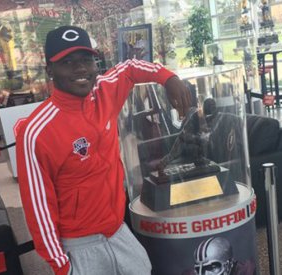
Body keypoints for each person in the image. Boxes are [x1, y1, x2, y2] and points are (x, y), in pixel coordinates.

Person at [15, 25, 191, 275]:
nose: (80, 69)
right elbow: (38, 208)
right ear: (50, 71)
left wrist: (168, 78)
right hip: (78, 246)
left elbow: (130, 68)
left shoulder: (104, 91)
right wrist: (62, 266)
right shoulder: (36, 132)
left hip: (118, 231)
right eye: (68, 62)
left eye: (86, 60)